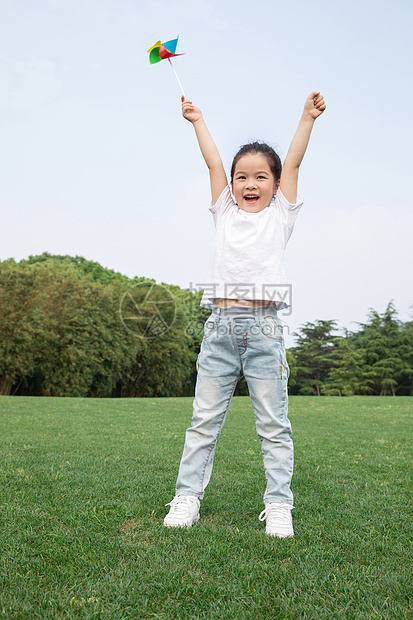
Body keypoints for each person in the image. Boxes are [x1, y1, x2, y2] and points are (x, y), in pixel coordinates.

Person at [164, 91, 326, 537]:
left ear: (275, 185)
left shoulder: (279, 216)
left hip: (264, 329)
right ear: (231, 184)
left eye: (260, 177)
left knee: (273, 426)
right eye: (241, 177)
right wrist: (197, 120)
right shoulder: (224, 212)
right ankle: (187, 497)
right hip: (219, 328)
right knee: (203, 423)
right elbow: (213, 164)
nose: (249, 184)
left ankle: (278, 505)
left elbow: (292, 162)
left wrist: (306, 118)